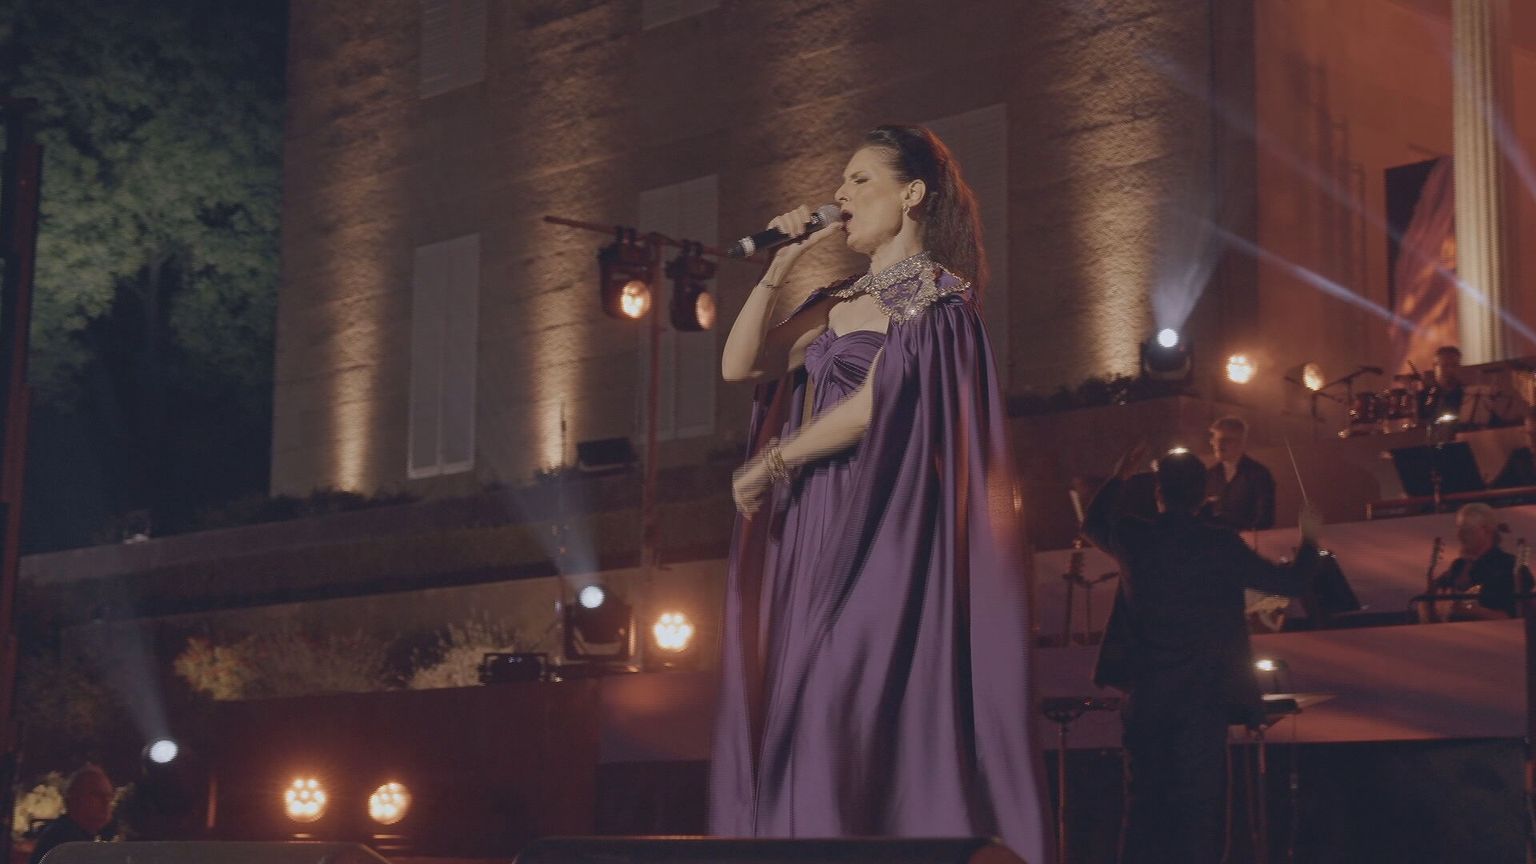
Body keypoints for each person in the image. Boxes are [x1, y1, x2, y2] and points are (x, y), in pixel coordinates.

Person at [711, 126, 1050, 860]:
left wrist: (776, 460)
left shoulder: (940, 300)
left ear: (913, 193)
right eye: (842, 181)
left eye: (860, 179)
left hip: (885, 525)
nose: (840, 194)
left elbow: (881, 402)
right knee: (802, 707)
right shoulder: (837, 300)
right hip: (814, 523)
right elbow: (741, 366)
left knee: (839, 699)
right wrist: (779, 267)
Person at [1085, 443, 1319, 863]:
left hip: (1148, 697)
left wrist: (1120, 475)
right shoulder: (1219, 544)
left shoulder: (1136, 537)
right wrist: (1311, 538)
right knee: (1199, 816)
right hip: (1202, 699)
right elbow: (1291, 584)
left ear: (1158, 492)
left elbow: (1093, 522)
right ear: (1202, 496)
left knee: (1144, 812)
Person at [1419, 502, 1531, 622]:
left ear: (1486, 531)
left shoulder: (1508, 565)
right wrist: (1428, 605)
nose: (1459, 535)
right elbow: (1431, 605)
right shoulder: (1458, 566)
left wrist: (1473, 611)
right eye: (1459, 529)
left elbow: (1514, 617)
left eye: (1466, 530)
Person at [1201, 415, 1276, 532]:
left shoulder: (1259, 474)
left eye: (1225, 440)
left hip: (1246, 541)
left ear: (1241, 442)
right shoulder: (1209, 475)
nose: (1218, 445)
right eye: (1215, 439)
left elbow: (1265, 519)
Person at [28, 764, 114, 864]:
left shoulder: (79, 836)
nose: (106, 802)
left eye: (109, 796)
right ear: (74, 799)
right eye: (97, 795)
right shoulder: (63, 841)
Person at [1490, 406, 1536, 489]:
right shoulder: (1520, 456)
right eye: (1528, 434)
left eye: (1535, 435)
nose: (1531, 441)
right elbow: (1495, 489)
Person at [1419, 344, 1465, 423]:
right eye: (1445, 365)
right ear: (1435, 367)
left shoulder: (1466, 394)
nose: (1450, 369)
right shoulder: (1424, 395)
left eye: (1454, 365)